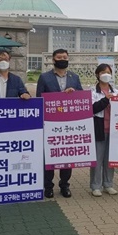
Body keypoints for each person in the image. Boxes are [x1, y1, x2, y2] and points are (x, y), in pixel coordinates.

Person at [36, 49, 83, 198]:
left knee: (66, 156)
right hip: (50, 123)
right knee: (49, 156)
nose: (62, 59)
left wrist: (73, 93)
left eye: (65, 57)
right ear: (53, 60)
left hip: (69, 123)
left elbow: (81, 97)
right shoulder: (44, 77)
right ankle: (48, 186)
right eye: (59, 57)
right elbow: (39, 98)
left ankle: (64, 185)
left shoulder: (74, 77)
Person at [90, 64, 118, 197]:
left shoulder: (117, 91)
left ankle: (108, 184)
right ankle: (95, 186)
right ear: (97, 74)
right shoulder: (92, 91)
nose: (106, 74)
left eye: (108, 72)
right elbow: (92, 108)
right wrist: (105, 99)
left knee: (110, 158)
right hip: (99, 127)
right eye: (103, 72)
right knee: (97, 158)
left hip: (114, 129)